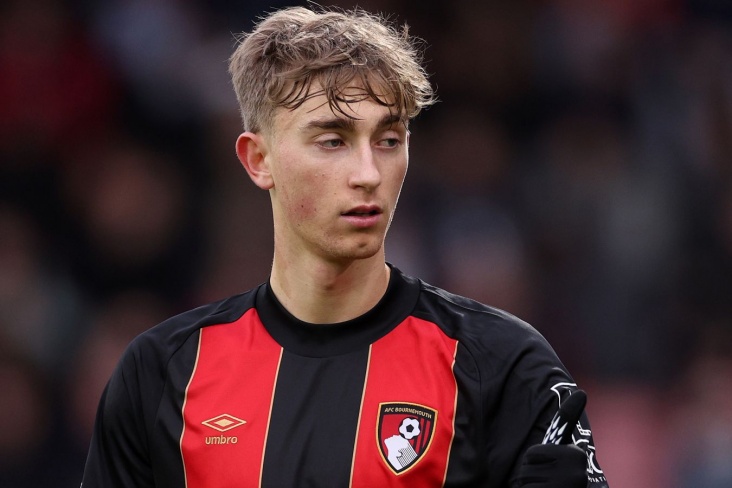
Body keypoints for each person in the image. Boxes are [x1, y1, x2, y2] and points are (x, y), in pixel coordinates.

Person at [81, 6, 609, 488]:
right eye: (332, 140)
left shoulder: (503, 366)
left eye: (388, 140)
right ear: (258, 160)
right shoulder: (163, 372)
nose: (368, 173)